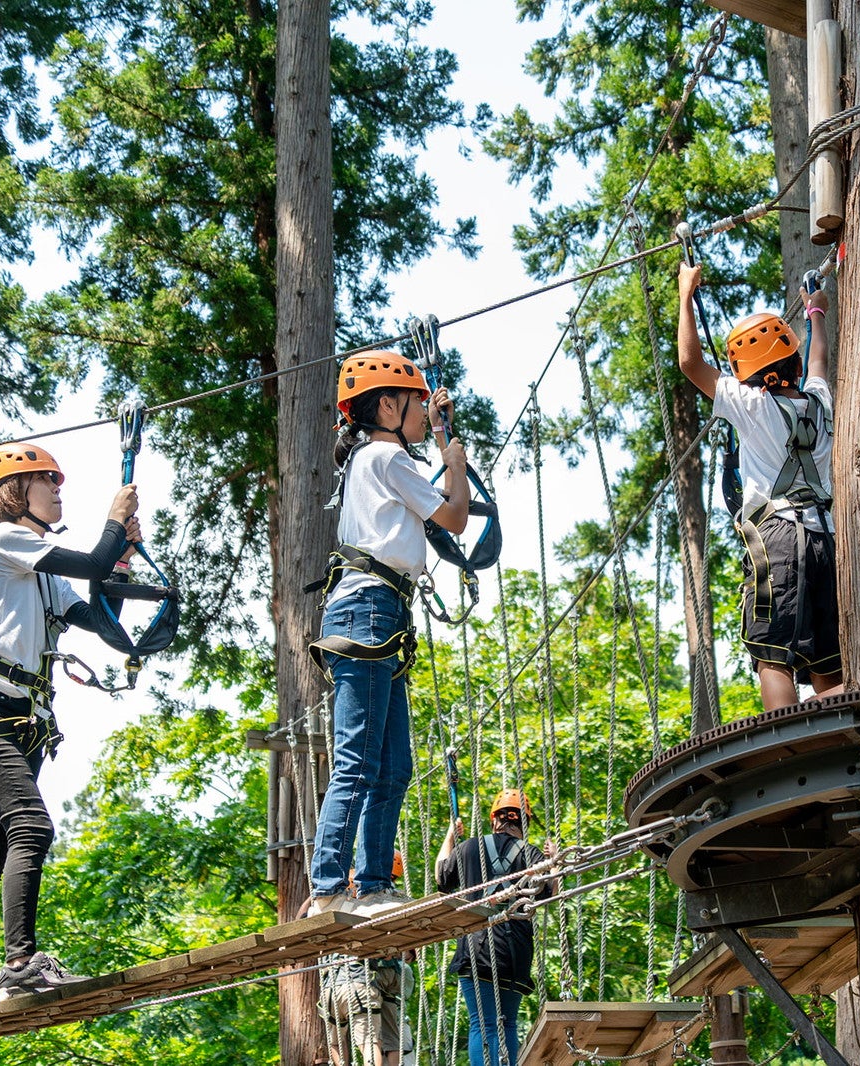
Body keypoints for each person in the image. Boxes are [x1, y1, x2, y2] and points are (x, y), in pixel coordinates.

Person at [0, 443, 142, 1010]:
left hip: (22, 720)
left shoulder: (44, 568)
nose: (57, 489)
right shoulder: (9, 541)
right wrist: (114, 525)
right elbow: (92, 561)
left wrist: (121, 559)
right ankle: (21, 965)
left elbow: (101, 620)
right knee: (31, 826)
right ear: (15, 492)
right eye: (47, 480)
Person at [307, 351, 470, 918]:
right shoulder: (384, 454)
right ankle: (329, 887)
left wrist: (442, 441)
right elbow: (453, 518)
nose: (423, 413)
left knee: (393, 764)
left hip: (384, 613)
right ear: (387, 405)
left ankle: (373, 883)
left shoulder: (377, 459)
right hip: (368, 609)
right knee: (358, 758)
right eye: (417, 404)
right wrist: (454, 457)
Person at [677, 264, 844, 712]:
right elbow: (821, 360)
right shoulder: (820, 403)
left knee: (772, 655)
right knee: (829, 657)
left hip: (778, 540)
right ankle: (843, 720)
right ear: (791, 358)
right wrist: (815, 312)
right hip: (828, 537)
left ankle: (788, 745)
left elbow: (690, 364)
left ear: (744, 371)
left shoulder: (748, 403)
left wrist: (685, 296)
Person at [436, 789, 557, 1066]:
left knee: (483, 1024)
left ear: (494, 821)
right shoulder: (532, 854)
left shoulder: (469, 848)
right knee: (508, 1025)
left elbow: (442, 877)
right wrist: (554, 862)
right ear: (523, 822)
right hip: (515, 951)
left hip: (476, 948)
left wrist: (451, 836)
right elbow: (548, 894)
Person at [318, 852, 416, 1066]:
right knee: (376, 1040)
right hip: (369, 981)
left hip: (336, 984)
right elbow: (408, 955)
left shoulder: (348, 897)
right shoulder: (387, 901)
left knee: (341, 1042)